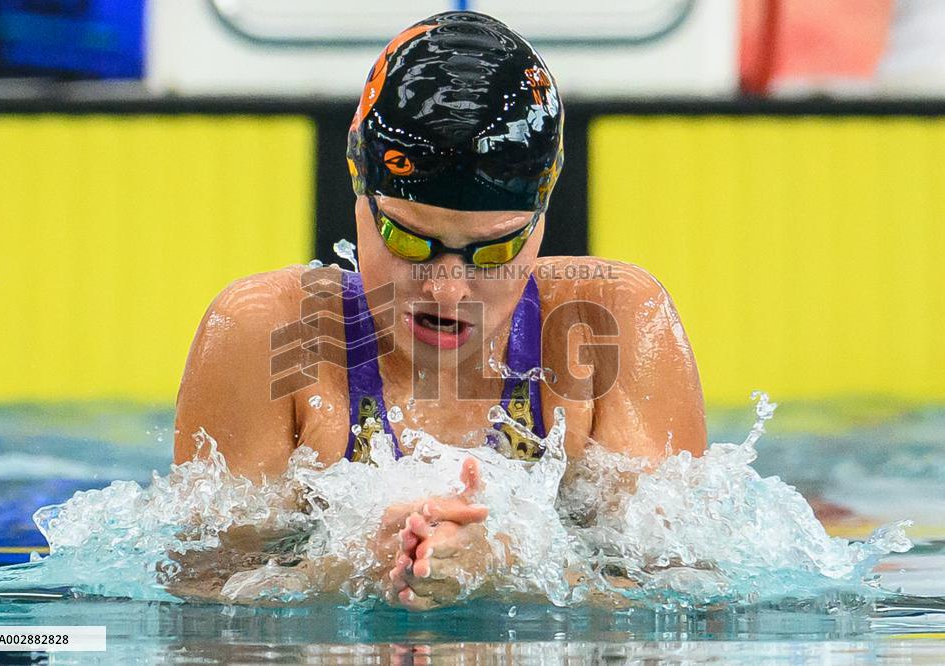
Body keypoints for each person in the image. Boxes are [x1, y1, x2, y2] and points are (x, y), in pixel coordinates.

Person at [173, 11, 706, 610]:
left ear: (539, 223)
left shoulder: (616, 322)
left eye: (495, 249)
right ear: (358, 192)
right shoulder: (262, 329)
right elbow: (198, 600)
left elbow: (686, 598)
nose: (448, 292)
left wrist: (508, 562)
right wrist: (344, 567)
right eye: (408, 241)